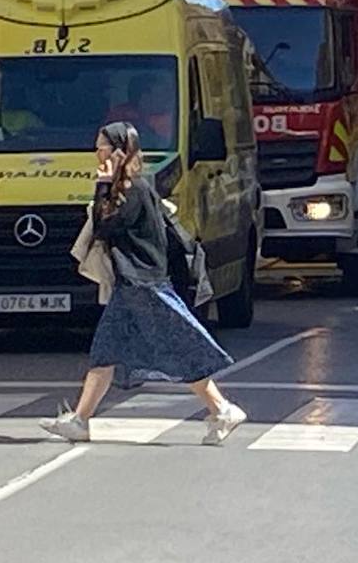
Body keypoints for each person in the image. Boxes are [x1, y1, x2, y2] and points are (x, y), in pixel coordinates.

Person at [41, 122, 245, 446]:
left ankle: (222, 408)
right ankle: (80, 419)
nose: (97, 153)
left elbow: (105, 228)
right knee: (106, 352)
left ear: (120, 152)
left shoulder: (134, 189)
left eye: (102, 147)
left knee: (175, 348)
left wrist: (102, 185)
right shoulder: (133, 188)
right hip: (134, 284)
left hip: (143, 285)